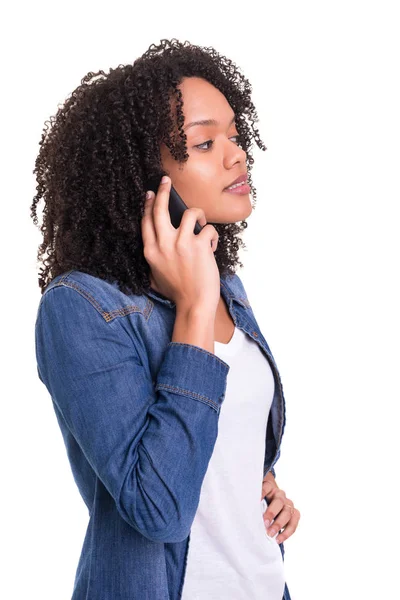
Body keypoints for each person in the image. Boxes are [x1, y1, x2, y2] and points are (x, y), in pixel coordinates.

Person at [31, 38, 299, 600]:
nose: (236, 155)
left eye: (234, 135)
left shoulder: (227, 287)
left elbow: (220, 448)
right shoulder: (81, 309)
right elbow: (158, 508)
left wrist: (259, 487)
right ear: (143, 178)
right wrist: (196, 310)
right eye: (204, 142)